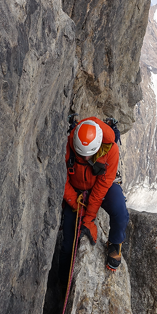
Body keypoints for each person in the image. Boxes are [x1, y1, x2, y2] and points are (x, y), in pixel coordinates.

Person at [59, 116, 129, 284]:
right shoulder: (68, 144)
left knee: (120, 212)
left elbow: (102, 186)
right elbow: (62, 178)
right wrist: (75, 203)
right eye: (81, 155)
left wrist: (89, 218)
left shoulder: (110, 149)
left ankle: (115, 243)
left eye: (88, 156)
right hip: (75, 191)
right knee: (69, 242)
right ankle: (62, 281)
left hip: (99, 187)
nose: (84, 159)